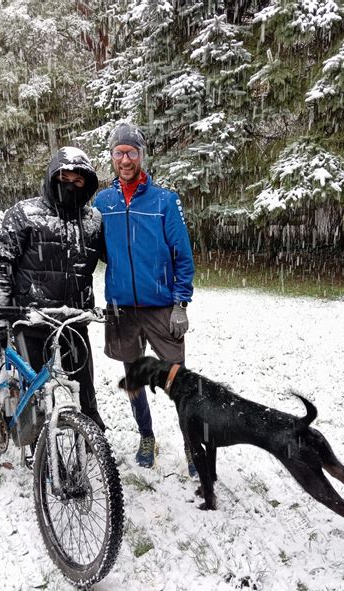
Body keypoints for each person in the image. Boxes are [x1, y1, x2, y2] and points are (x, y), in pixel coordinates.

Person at [93, 122, 195, 474]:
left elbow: (182, 254)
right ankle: (147, 435)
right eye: (119, 152)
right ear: (112, 157)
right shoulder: (101, 202)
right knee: (134, 379)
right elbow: (100, 251)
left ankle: (192, 445)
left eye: (131, 152)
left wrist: (181, 303)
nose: (125, 159)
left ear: (141, 156)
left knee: (178, 381)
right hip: (122, 311)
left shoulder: (164, 200)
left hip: (162, 309)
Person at [0, 146, 105, 444]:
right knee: (37, 400)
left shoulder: (93, 222)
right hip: (31, 319)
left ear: (87, 184)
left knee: (85, 393)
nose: (71, 184)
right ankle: (36, 447)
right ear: (52, 176)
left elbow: (119, 260)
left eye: (79, 180)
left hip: (73, 319)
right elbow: (0, 265)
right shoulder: (24, 214)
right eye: (65, 176)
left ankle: (92, 444)